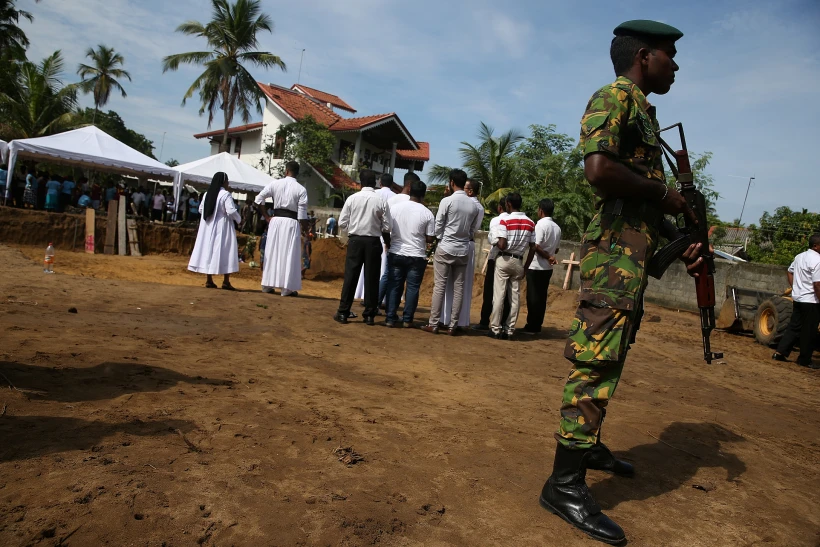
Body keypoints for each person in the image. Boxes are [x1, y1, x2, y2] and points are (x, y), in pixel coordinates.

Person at [538, 20, 705, 544]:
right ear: (644, 56)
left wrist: (682, 242)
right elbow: (599, 171)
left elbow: (642, 198)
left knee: (615, 354)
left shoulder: (642, 110)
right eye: (669, 56)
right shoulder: (614, 97)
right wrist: (662, 194)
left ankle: (588, 447)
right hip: (613, 257)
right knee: (596, 363)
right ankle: (563, 484)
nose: (675, 66)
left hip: (630, 258)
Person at [422, 169, 481, 335]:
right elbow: (472, 229)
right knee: (458, 288)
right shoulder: (474, 205)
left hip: (446, 246)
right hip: (463, 249)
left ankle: (433, 323)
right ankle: (453, 325)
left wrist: (441, 238)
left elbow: (438, 224)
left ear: (452, 182)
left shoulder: (447, 201)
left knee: (439, 286)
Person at [334, 169, 391, 325]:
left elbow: (342, 223)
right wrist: (384, 238)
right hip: (373, 241)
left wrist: (354, 230)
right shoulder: (380, 200)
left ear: (361, 182)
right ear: (375, 183)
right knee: (372, 278)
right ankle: (369, 315)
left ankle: (343, 312)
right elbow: (387, 226)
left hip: (356, 241)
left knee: (351, 276)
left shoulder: (352, 199)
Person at [384, 179, 435, 328]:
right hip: (416, 255)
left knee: (394, 285)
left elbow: (385, 229)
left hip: (396, 251)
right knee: (412, 288)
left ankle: (390, 317)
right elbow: (430, 238)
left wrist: (389, 243)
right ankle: (407, 319)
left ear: (410, 191)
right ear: (423, 195)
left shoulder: (395, 209)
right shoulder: (427, 213)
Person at [255, 161, 309, 297]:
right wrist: (305, 230)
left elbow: (258, 199)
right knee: (289, 254)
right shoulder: (301, 189)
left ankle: (267, 285)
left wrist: (267, 216)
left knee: (273, 251)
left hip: (275, 222)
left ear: (286, 171)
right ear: (297, 173)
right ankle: (287, 288)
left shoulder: (275, 184)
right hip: (291, 223)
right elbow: (302, 215)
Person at [487, 192, 535, 340]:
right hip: (519, 260)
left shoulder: (505, 221)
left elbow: (501, 244)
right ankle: (510, 329)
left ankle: (495, 328)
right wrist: (525, 267)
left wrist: (496, 242)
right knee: (514, 298)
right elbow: (533, 247)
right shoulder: (530, 223)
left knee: (499, 295)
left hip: (504, 259)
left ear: (508, 204)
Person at [772, 234, 820, 368]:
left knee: (794, 327)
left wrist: (795, 288)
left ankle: (780, 353)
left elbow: (789, 271)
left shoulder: (800, 256)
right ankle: (804, 360)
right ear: (815, 246)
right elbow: (817, 285)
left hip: (798, 298)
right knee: (809, 331)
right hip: (811, 300)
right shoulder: (818, 261)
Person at [187, 172, 241, 290]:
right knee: (226, 250)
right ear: (223, 182)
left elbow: (201, 209)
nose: (228, 183)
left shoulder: (207, 194)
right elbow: (231, 211)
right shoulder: (225, 194)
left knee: (209, 250)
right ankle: (226, 281)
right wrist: (239, 219)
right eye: (227, 181)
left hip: (208, 227)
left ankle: (209, 279)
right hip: (223, 227)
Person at [442, 178, 484, 327]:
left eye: (464, 188)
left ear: (470, 191)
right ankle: (449, 319)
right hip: (463, 243)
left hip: (463, 243)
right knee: (454, 285)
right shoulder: (471, 204)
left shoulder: (475, 206)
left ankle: (454, 319)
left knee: (459, 284)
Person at [522, 198, 562, 334]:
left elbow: (535, 246)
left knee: (533, 297)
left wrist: (546, 256)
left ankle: (532, 325)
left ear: (541, 210)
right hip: (547, 268)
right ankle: (537, 324)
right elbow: (556, 249)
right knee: (541, 297)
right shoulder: (557, 228)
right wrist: (550, 255)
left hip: (536, 266)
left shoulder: (540, 225)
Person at [473, 197, 511, 330]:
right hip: (512, 259)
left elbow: (493, 240)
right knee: (506, 293)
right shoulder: (516, 221)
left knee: (489, 291)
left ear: (501, 207)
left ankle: (484, 321)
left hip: (495, 257)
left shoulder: (497, 220)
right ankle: (503, 323)